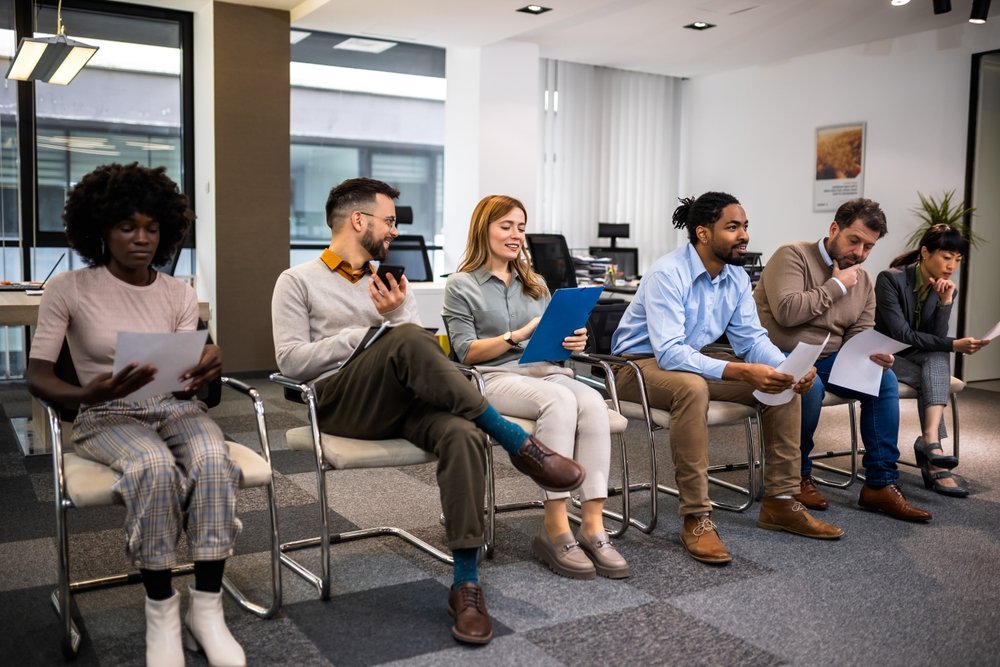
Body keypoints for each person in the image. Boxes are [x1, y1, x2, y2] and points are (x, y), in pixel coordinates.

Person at [271, 177, 585, 645]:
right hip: (339, 404)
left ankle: (466, 581)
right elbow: (291, 361)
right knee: (405, 335)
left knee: (461, 431)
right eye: (390, 221)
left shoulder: (393, 282)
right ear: (359, 220)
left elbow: (414, 354)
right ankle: (516, 440)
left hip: (403, 402)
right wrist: (373, 331)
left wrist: (394, 324)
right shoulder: (296, 281)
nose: (395, 231)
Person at [26, 163, 245, 667]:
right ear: (101, 230)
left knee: (214, 458)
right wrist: (85, 393)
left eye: (152, 228)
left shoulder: (179, 292)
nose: (141, 239)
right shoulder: (69, 289)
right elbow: (36, 376)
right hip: (105, 412)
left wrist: (209, 364)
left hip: (173, 405)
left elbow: (188, 369)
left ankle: (206, 609)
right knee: (153, 467)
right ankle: (162, 611)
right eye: (128, 227)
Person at [611, 191, 843, 565]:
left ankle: (781, 501)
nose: (744, 235)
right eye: (732, 227)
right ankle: (696, 515)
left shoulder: (736, 277)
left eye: (745, 226)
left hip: (691, 361)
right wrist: (740, 370)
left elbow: (751, 339)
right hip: (635, 367)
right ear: (703, 234)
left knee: (781, 383)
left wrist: (786, 368)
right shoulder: (668, 273)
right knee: (691, 387)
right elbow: (670, 352)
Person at [442, 194, 629, 580]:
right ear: (484, 229)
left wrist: (572, 342)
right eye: (506, 226)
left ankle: (592, 526)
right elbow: (466, 352)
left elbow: (553, 344)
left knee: (593, 401)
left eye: (521, 228)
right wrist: (515, 336)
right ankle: (555, 527)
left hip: (543, 370)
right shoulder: (461, 285)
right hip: (492, 376)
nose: (516, 235)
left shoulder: (536, 283)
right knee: (559, 401)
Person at [754, 198, 932, 521]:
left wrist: (870, 354)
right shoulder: (792, 256)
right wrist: (836, 285)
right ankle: (797, 475)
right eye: (855, 241)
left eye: (869, 247)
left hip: (830, 357)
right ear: (834, 229)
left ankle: (880, 483)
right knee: (810, 384)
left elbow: (859, 332)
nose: (860, 254)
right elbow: (787, 312)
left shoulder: (862, 280)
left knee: (883, 379)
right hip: (779, 354)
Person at [874, 224, 989, 497]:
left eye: (957, 260)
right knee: (936, 367)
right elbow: (902, 334)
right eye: (946, 257)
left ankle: (930, 441)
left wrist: (944, 302)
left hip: (915, 358)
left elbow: (934, 338)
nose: (952, 266)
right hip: (884, 357)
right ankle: (934, 456)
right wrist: (953, 344)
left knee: (937, 357)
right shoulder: (890, 279)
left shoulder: (946, 287)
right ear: (925, 252)